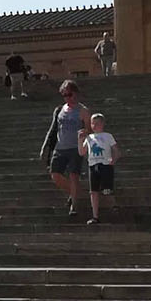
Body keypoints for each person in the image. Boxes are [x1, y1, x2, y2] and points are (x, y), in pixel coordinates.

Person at [39, 80, 91, 220]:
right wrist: (45, 146)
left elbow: (90, 130)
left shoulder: (83, 111)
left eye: (70, 94)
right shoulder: (59, 110)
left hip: (76, 147)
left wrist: (85, 135)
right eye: (65, 95)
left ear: (76, 93)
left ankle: (74, 205)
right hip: (60, 147)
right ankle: (75, 193)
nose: (68, 98)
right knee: (55, 174)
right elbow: (53, 129)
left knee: (74, 175)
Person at [80, 112, 119, 224]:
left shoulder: (108, 136)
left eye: (97, 123)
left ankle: (113, 205)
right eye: (93, 123)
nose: (95, 125)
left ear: (102, 124)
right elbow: (82, 152)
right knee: (93, 191)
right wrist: (80, 140)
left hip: (105, 164)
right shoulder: (89, 138)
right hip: (93, 165)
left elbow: (116, 150)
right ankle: (95, 216)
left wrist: (114, 159)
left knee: (107, 189)